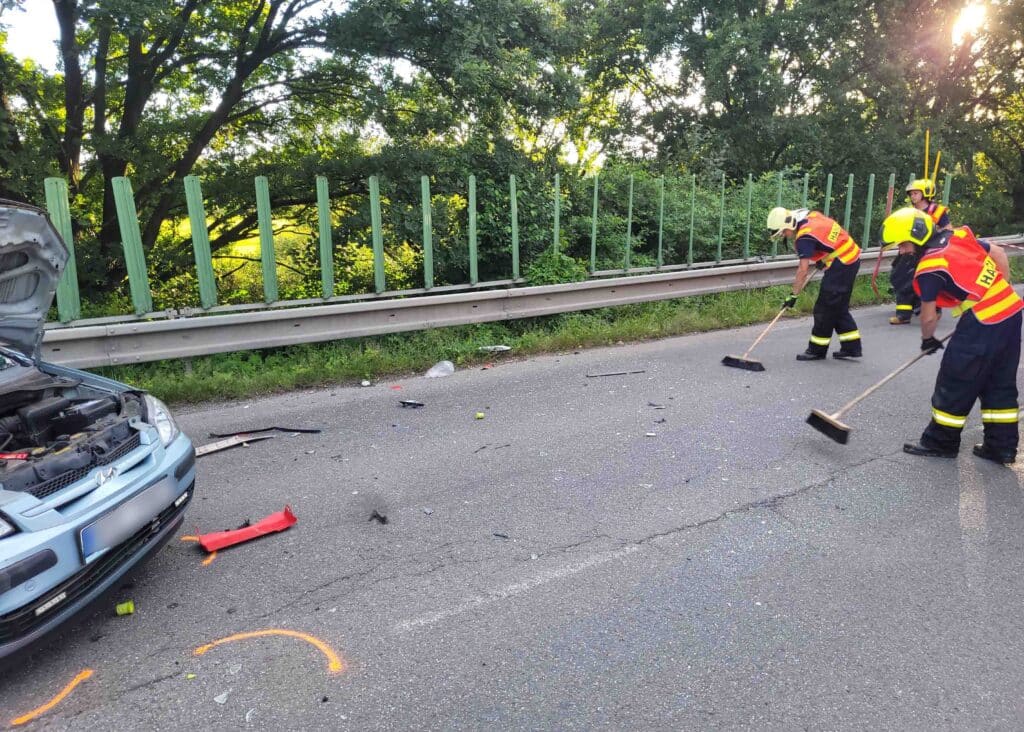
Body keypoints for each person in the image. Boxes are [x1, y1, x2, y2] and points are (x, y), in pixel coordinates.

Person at [879, 207, 1022, 464]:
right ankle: (1001, 447)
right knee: (999, 381)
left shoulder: (930, 267)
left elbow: (928, 316)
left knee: (956, 377)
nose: (901, 251)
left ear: (918, 236)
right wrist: (998, 291)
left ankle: (940, 442)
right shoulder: (956, 236)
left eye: (903, 245)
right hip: (1011, 311)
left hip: (984, 321)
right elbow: (998, 253)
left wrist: (927, 339)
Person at [767, 207, 862, 361]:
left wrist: (793, 295)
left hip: (843, 262)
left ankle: (817, 350)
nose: (785, 236)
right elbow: (826, 236)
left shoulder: (804, 238)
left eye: (783, 232)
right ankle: (851, 347)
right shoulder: (808, 216)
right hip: (849, 256)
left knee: (824, 308)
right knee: (837, 306)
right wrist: (823, 259)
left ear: (789, 224)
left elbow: (802, 271)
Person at [889, 179, 953, 325]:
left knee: (927, 281)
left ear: (925, 194)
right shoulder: (909, 212)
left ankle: (933, 310)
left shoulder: (937, 211)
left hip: (929, 252)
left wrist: (936, 236)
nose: (913, 196)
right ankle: (903, 315)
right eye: (911, 194)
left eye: (916, 193)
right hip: (910, 252)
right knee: (901, 278)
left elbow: (948, 231)